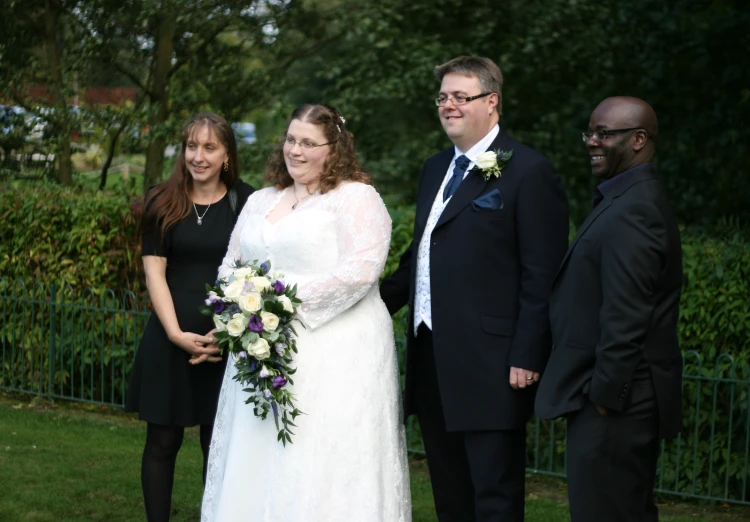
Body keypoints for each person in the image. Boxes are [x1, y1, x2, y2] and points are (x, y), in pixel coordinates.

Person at [201, 104, 411, 521]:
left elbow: (362, 271)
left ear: (335, 148)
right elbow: (230, 264)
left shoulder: (355, 198)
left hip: (337, 350)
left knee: (320, 451)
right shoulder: (262, 200)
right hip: (262, 347)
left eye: (308, 143)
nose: (294, 151)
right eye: (291, 140)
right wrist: (245, 303)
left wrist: (278, 301)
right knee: (258, 446)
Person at [380, 56, 569, 521]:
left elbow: (540, 274)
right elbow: (419, 257)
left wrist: (528, 353)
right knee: (450, 493)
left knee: (494, 496)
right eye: (443, 97)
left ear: (492, 101)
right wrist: (359, 308)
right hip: (430, 360)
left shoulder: (528, 171)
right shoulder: (434, 168)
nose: (448, 105)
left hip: (493, 365)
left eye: (460, 96)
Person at [535, 97, 683, 522]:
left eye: (604, 134)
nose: (592, 142)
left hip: (618, 406)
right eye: (590, 132)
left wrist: (603, 400)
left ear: (639, 140)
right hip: (614, 403)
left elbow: (627, 315)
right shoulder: (622, 199)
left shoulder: (636, 209)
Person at [126, 112, 255, 522]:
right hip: (170, 336)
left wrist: (226, 331)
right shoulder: (160, 200)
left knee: (216, 445)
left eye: (209, 148)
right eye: (191, 146)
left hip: (227, 340)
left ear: (227, 156)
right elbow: (154, 272)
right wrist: (175, 333)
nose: (198, 157)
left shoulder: (248, 201)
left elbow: (255, 274)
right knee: (162, 442)